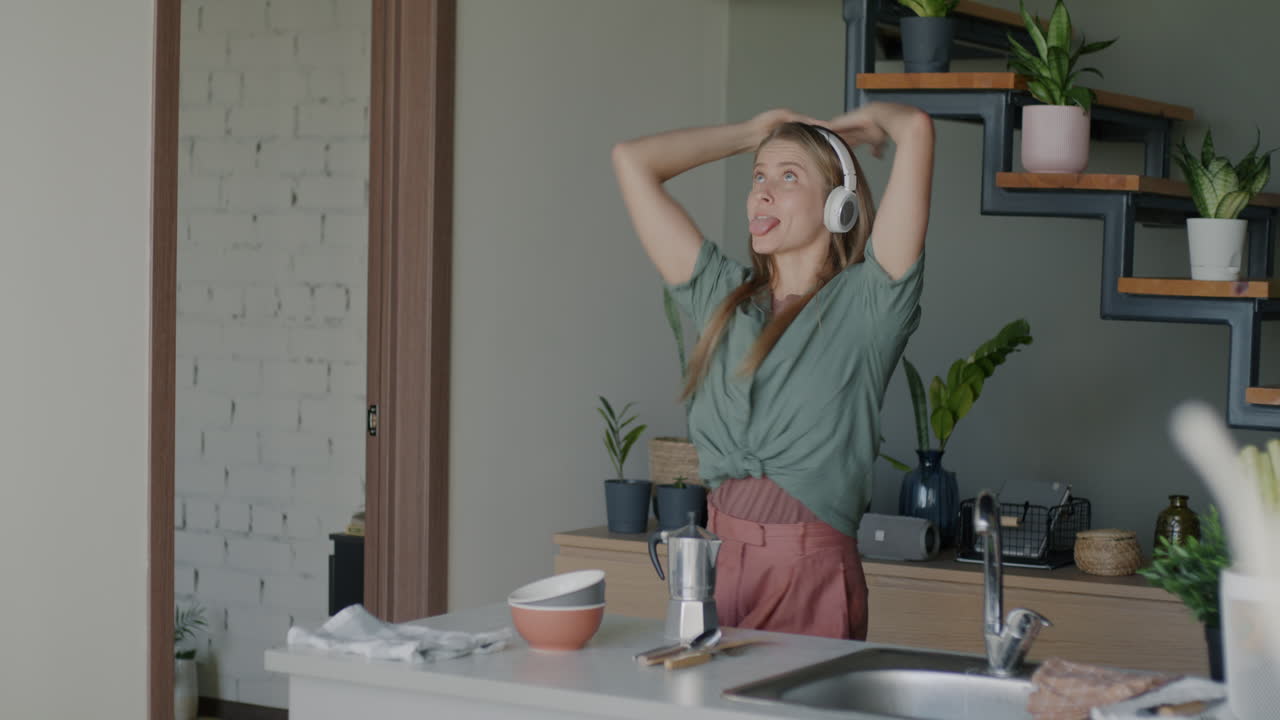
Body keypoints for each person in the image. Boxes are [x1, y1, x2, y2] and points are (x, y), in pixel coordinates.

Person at [610, 102, 934, 640]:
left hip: (811, 580)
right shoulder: (723, 296)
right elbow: (632, 162)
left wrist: (872, 119)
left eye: (788, 177)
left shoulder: (870, 305)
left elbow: (917, 128)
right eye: (758, 176)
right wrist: (751, 133)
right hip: (712, 573)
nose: (762, 191)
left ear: (838, 206)